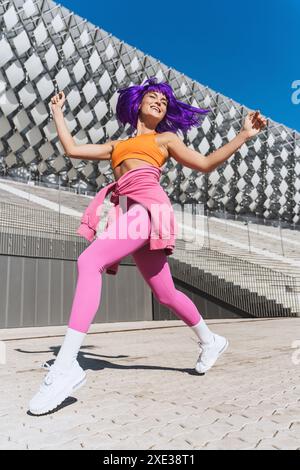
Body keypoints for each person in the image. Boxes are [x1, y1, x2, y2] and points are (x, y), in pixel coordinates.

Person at [29, 77, 267, 415]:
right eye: (153, 97)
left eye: (164, 102)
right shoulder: (116, 145)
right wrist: (57, 112)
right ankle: (210, 340)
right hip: (129, 212)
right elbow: (71, 149)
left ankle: (66, 365)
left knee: (88, 262)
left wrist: (243, 134)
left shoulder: (166, 139)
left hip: (151, 209)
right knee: (165, 294)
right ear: (137, 103)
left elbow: (205, 163)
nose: (160, 102)